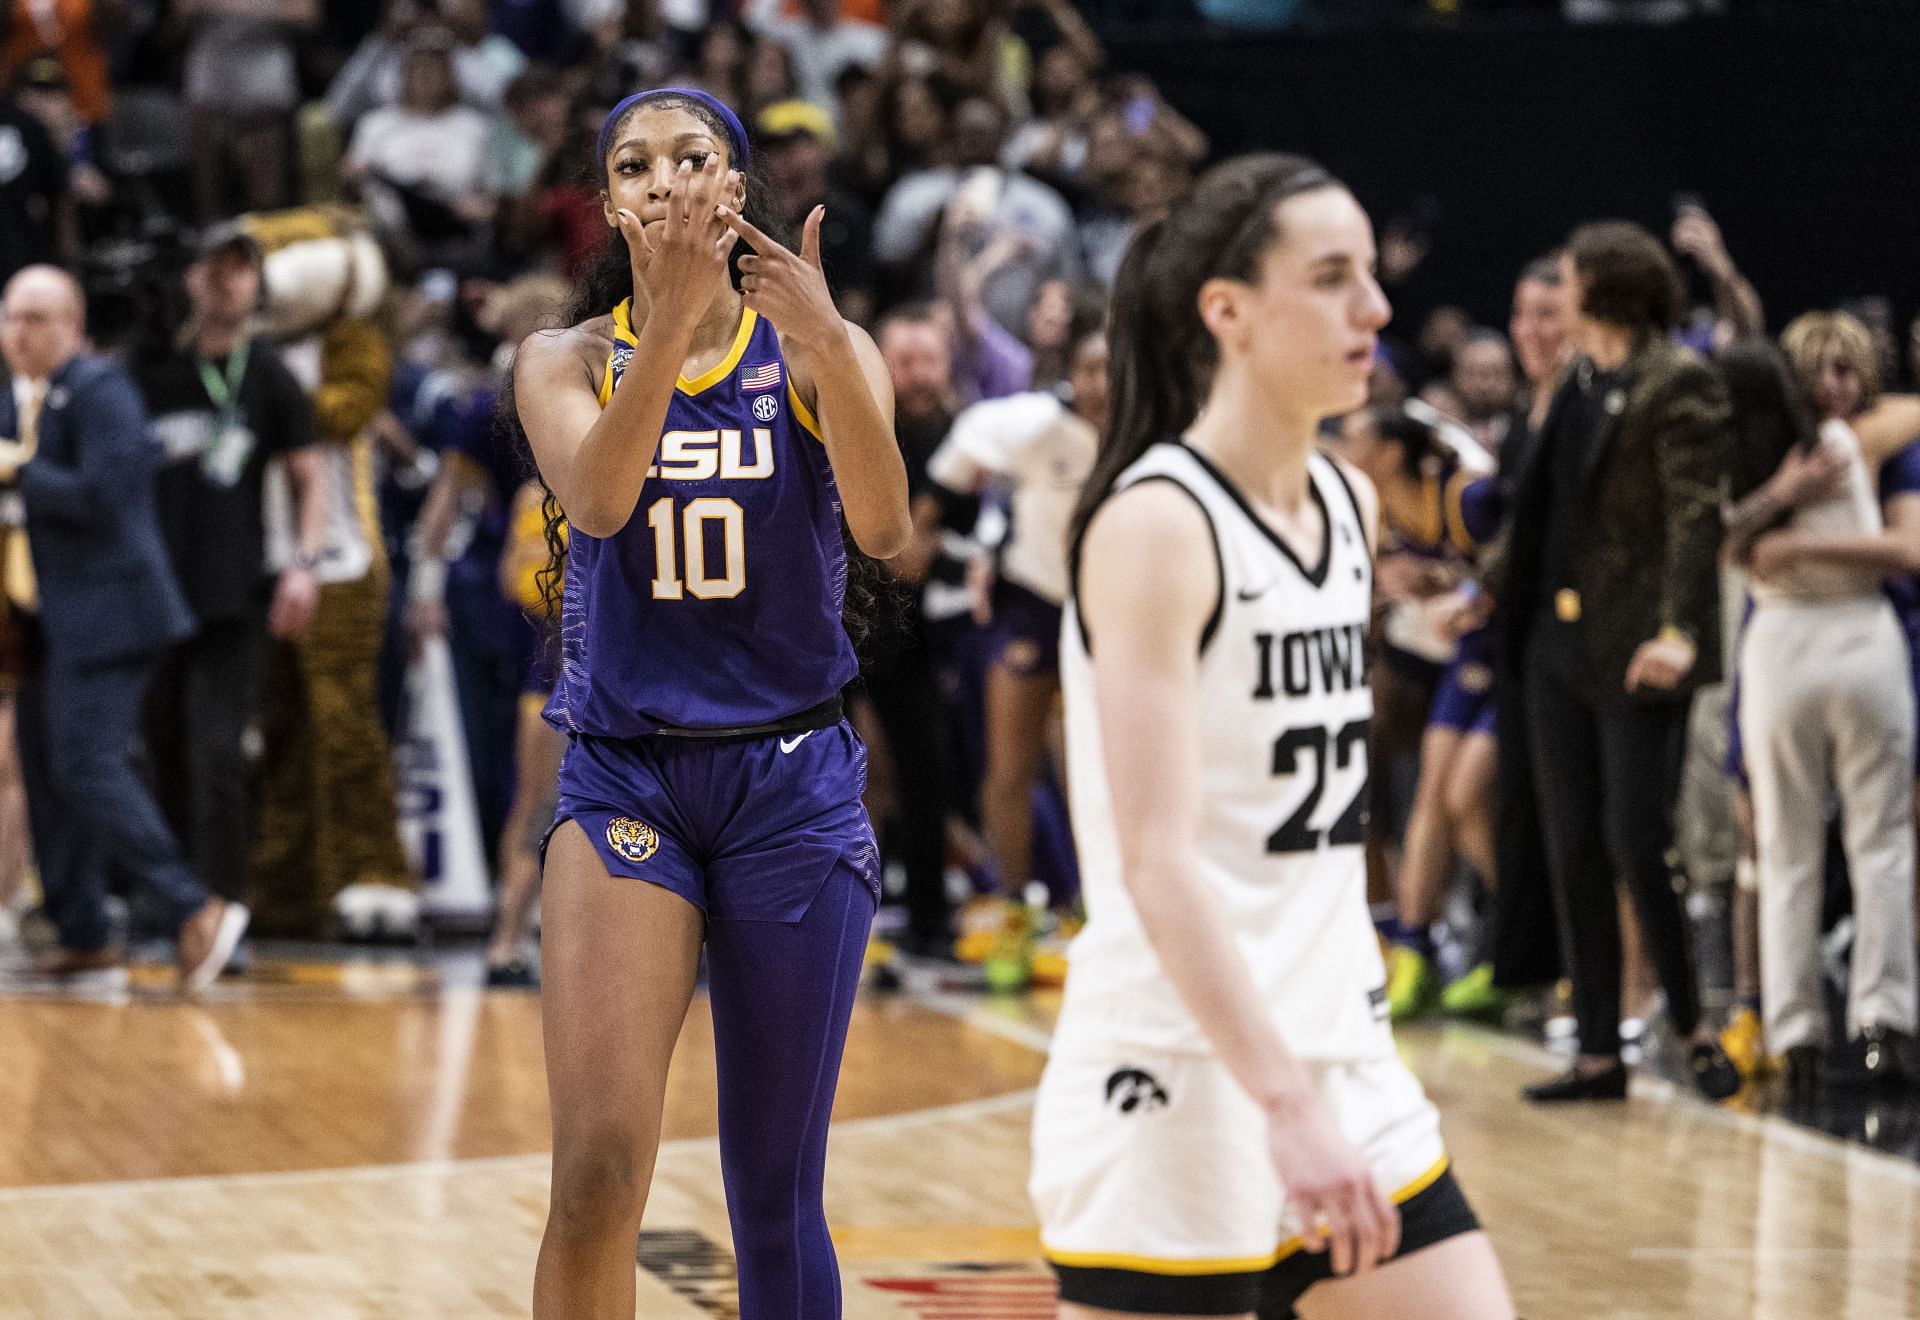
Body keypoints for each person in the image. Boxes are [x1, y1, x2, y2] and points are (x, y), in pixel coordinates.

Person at [1029, 153, 1513, 1320]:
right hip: (1180, 1074)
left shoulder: (1347, 506)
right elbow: (1155, 860)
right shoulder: (1158, 521)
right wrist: (1281, 1104)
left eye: (1370, 277)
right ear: (1229, 311)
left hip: (1340, 1055)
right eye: (1333, 278)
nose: (1376, 310)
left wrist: (1318, 1080)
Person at [511, 89, 909, 1317]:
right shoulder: (562, 360)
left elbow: (889, 528)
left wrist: (833, 351)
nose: (666, 179)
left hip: (791, 782)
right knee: (595, 1171)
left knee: (774, 1189)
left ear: (735, 189)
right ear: (611, 203)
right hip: (629, 776)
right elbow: (603, 499)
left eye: (693, 157)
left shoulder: (818, 348)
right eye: (635, 164)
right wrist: (671, 322)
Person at [1489, 222, 1741, 1103]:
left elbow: (1694, 516)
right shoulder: (1581, 381)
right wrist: (1478, 592)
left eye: (1567, 279)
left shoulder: (1679, 380)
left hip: (1637, 646)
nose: (1556, 295)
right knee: (1573, 846)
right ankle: (1598, 1050)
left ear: (1603, 289)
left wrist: (1680, 630)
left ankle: (1691, 1023)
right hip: (1557, 645)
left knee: (1637, 836)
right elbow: (1544, 517)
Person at [0, 264, 248, 991]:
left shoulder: (102, 390)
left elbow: (107, 496)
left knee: (85, 763)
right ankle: (81, 931)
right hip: (43, 625)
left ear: (74, 327)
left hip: (115, 615)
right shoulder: (11, 401)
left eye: (39, 318)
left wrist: (18, 470)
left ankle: (194, 908)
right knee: (45, 769)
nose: (22, 333)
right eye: (12, 317)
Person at [141, 227, 328, 921]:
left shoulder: (270, 375)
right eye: (214, 268)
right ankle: (173, 905)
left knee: (216, 749)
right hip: (156, 593)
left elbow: (310, 478)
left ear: (257, 284)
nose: (227, 282)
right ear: (191, 277)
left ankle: (223, 904)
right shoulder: (152, 367)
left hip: (235, 594)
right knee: (159, 747)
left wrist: (303, 566)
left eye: (240, 271)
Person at [928, 327, 1105, 989]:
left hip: (1109, 612)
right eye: (1090, 368)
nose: (1103, 385)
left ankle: (1102, 914)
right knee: (1009, 766)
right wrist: (957, 549)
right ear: (1069, 374)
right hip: (1031, 602)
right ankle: (1013, 912)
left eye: (1115, 370)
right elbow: (946, 481)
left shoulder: (1154, 430)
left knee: (1101, 769)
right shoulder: (1029, 425)